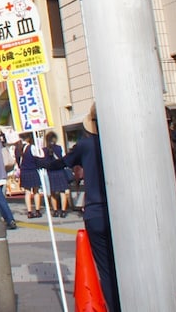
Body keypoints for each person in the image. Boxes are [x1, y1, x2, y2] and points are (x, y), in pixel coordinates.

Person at [38, 105, 118, 311]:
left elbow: (63, 162)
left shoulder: (86, 145)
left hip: (96, 211)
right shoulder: (119, 140)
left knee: (106, 270)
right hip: (120, 212)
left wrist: (42, 163)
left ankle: (117, 307)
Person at [44, 131, 71, 218]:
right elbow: (64, 158)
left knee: (53, 192)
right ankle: (63, 211)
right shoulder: (59, 148)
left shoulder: (44, 150)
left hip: (50, 172)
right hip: (60, 171)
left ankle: (55, 211)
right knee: (62, 191)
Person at [17, 132, 44, 219]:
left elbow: (18, 161)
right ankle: (37, 210)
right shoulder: (32, 147)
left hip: (24, 171)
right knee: (36, 191)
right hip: (32, 170)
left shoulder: (18, 148)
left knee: (27, 192)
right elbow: (38, 158)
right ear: (28, 138)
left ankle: (29, 212)